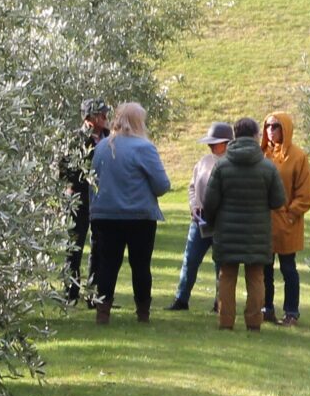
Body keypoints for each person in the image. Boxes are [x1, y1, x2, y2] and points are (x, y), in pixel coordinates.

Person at [88, 102, 170, 324]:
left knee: (107, 266)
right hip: (139, 216)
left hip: (105, 215)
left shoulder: (102, 147)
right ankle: (143, 312)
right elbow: (162, 185)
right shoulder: (144, 148)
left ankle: (102, 312)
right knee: (141, 265)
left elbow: (92, 182)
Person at [202, 116, 285, 333]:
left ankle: (226, 321)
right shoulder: (268, 167)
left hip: (227, 232)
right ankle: (254, 322)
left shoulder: (221, 166)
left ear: (234, 136)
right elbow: (278, 201)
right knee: (256, 277)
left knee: (227, 276)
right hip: (257, 233)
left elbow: (210, 202)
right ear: (256, 135)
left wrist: (210, 222)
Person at [260, 110, 310, 326]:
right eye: (267, 126)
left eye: (275, 126)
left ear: (286, 129)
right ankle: (266, 308)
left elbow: (306, 193)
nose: (270, 131)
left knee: (288, 269)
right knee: (264, 269)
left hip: (287, 223)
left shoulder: (298, 157)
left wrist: (291, 214)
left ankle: (291, 311)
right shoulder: (261, 154)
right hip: (264, 222)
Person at [168, 121, 231, 311]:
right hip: (200, 221)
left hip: (221, 222)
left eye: (216, 142)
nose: (211, 145)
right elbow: (192, 187)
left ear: (227, 142)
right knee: (190, 259)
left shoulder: (232, 163)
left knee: (221, 265)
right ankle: (181, 299)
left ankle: (219, 303)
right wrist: (194, 206)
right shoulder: (203, 162)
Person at [55, 101, 112, 303]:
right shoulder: (75, 139)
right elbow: (64, 169)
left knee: (100, 248)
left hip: (102, 199)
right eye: (102, 115)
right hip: (79, 198)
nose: (106, 118)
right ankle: (71, 293)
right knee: (74, 247)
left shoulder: (110, 139)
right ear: (90, 117)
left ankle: (93, 295)